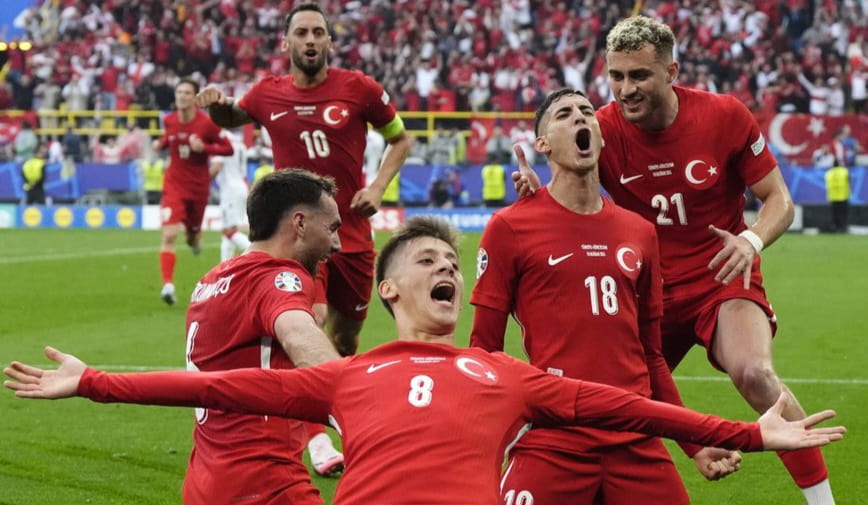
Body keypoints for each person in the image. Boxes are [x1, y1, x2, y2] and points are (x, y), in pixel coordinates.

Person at [4, 217, 847, 505]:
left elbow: (624, 405)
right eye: (428, 261)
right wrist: (92, 382)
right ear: (388, 290)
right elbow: (218, 386)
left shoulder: (503, 373)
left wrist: (748, 431)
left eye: (453, 262)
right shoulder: (344, 376)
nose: (448, 268)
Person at [513, 16, 836, 505]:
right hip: (647, 289)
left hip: (722, 277)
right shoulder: (601, 128)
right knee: (603, 399)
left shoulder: (724, 115)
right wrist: (538, 191)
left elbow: (779, 200)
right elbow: (568, 172)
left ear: (671, 71)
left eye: (639, 75)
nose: (626, 89)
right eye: (616, 76)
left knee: (754, 374)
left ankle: (823, 502)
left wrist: (750, 240)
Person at [472, 89, 736, 505]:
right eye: (564, 114)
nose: (580, 118)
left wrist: (694, 445)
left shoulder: (640, 232)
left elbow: (651, 357)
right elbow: (484, 352)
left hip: (634, 437)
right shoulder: (509, 228)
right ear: (543, 144)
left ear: (600, 135)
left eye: (587, 112)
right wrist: (484, 446)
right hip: (554, 436)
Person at [17, 169, 341, 505]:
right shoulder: (276, 278)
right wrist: (351, 393)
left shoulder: (210, 282)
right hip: (263, 484)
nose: (336, 244)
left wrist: (93, 382)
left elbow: (210, 386)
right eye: (331, 228)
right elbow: (298, 333)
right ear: (300, 223)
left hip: (205, 481)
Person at [196, 3, 410, 473]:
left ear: (329, 41)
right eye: (301, 33)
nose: (310, 40)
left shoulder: (359, 89)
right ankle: (318, 439)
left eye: (317, 33)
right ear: (286, 42)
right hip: (295, 238)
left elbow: (400, 138)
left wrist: (377, 187)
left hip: (351, 235)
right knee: (306, 320)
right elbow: (232, 117)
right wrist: (215, 105)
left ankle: (331, 407)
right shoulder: (267, 92)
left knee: (345, 338)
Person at [153, 78, 233, 305]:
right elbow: (171, 138)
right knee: (169, 234)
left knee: (191, 237)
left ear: (196, 98)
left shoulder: (207, 124)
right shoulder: (169, 120)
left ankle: (195, 238)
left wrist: (204, 147)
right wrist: (160, 144)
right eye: (179, 92)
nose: (182, 96)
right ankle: (168, 285)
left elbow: (228, 148)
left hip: (198, 187)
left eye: (187, 93)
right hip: (174, 184)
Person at [210, 131, 252, 261]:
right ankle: (224, 266)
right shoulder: (240, 143)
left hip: (230, 190)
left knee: (229, 232)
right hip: (240, 186)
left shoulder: (222, 141)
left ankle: (257, 253)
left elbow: (217, 166)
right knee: (228, 231)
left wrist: (200, 182)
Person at [824, 159, 850, 233]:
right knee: (843, 214)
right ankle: (843, 228)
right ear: (839, 164)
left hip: (833, 197)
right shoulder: (844, 171)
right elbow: (848, 181)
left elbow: (826, 183)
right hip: (843, 196)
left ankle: (835, 228)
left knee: (834, 214)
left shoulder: (828, 173)